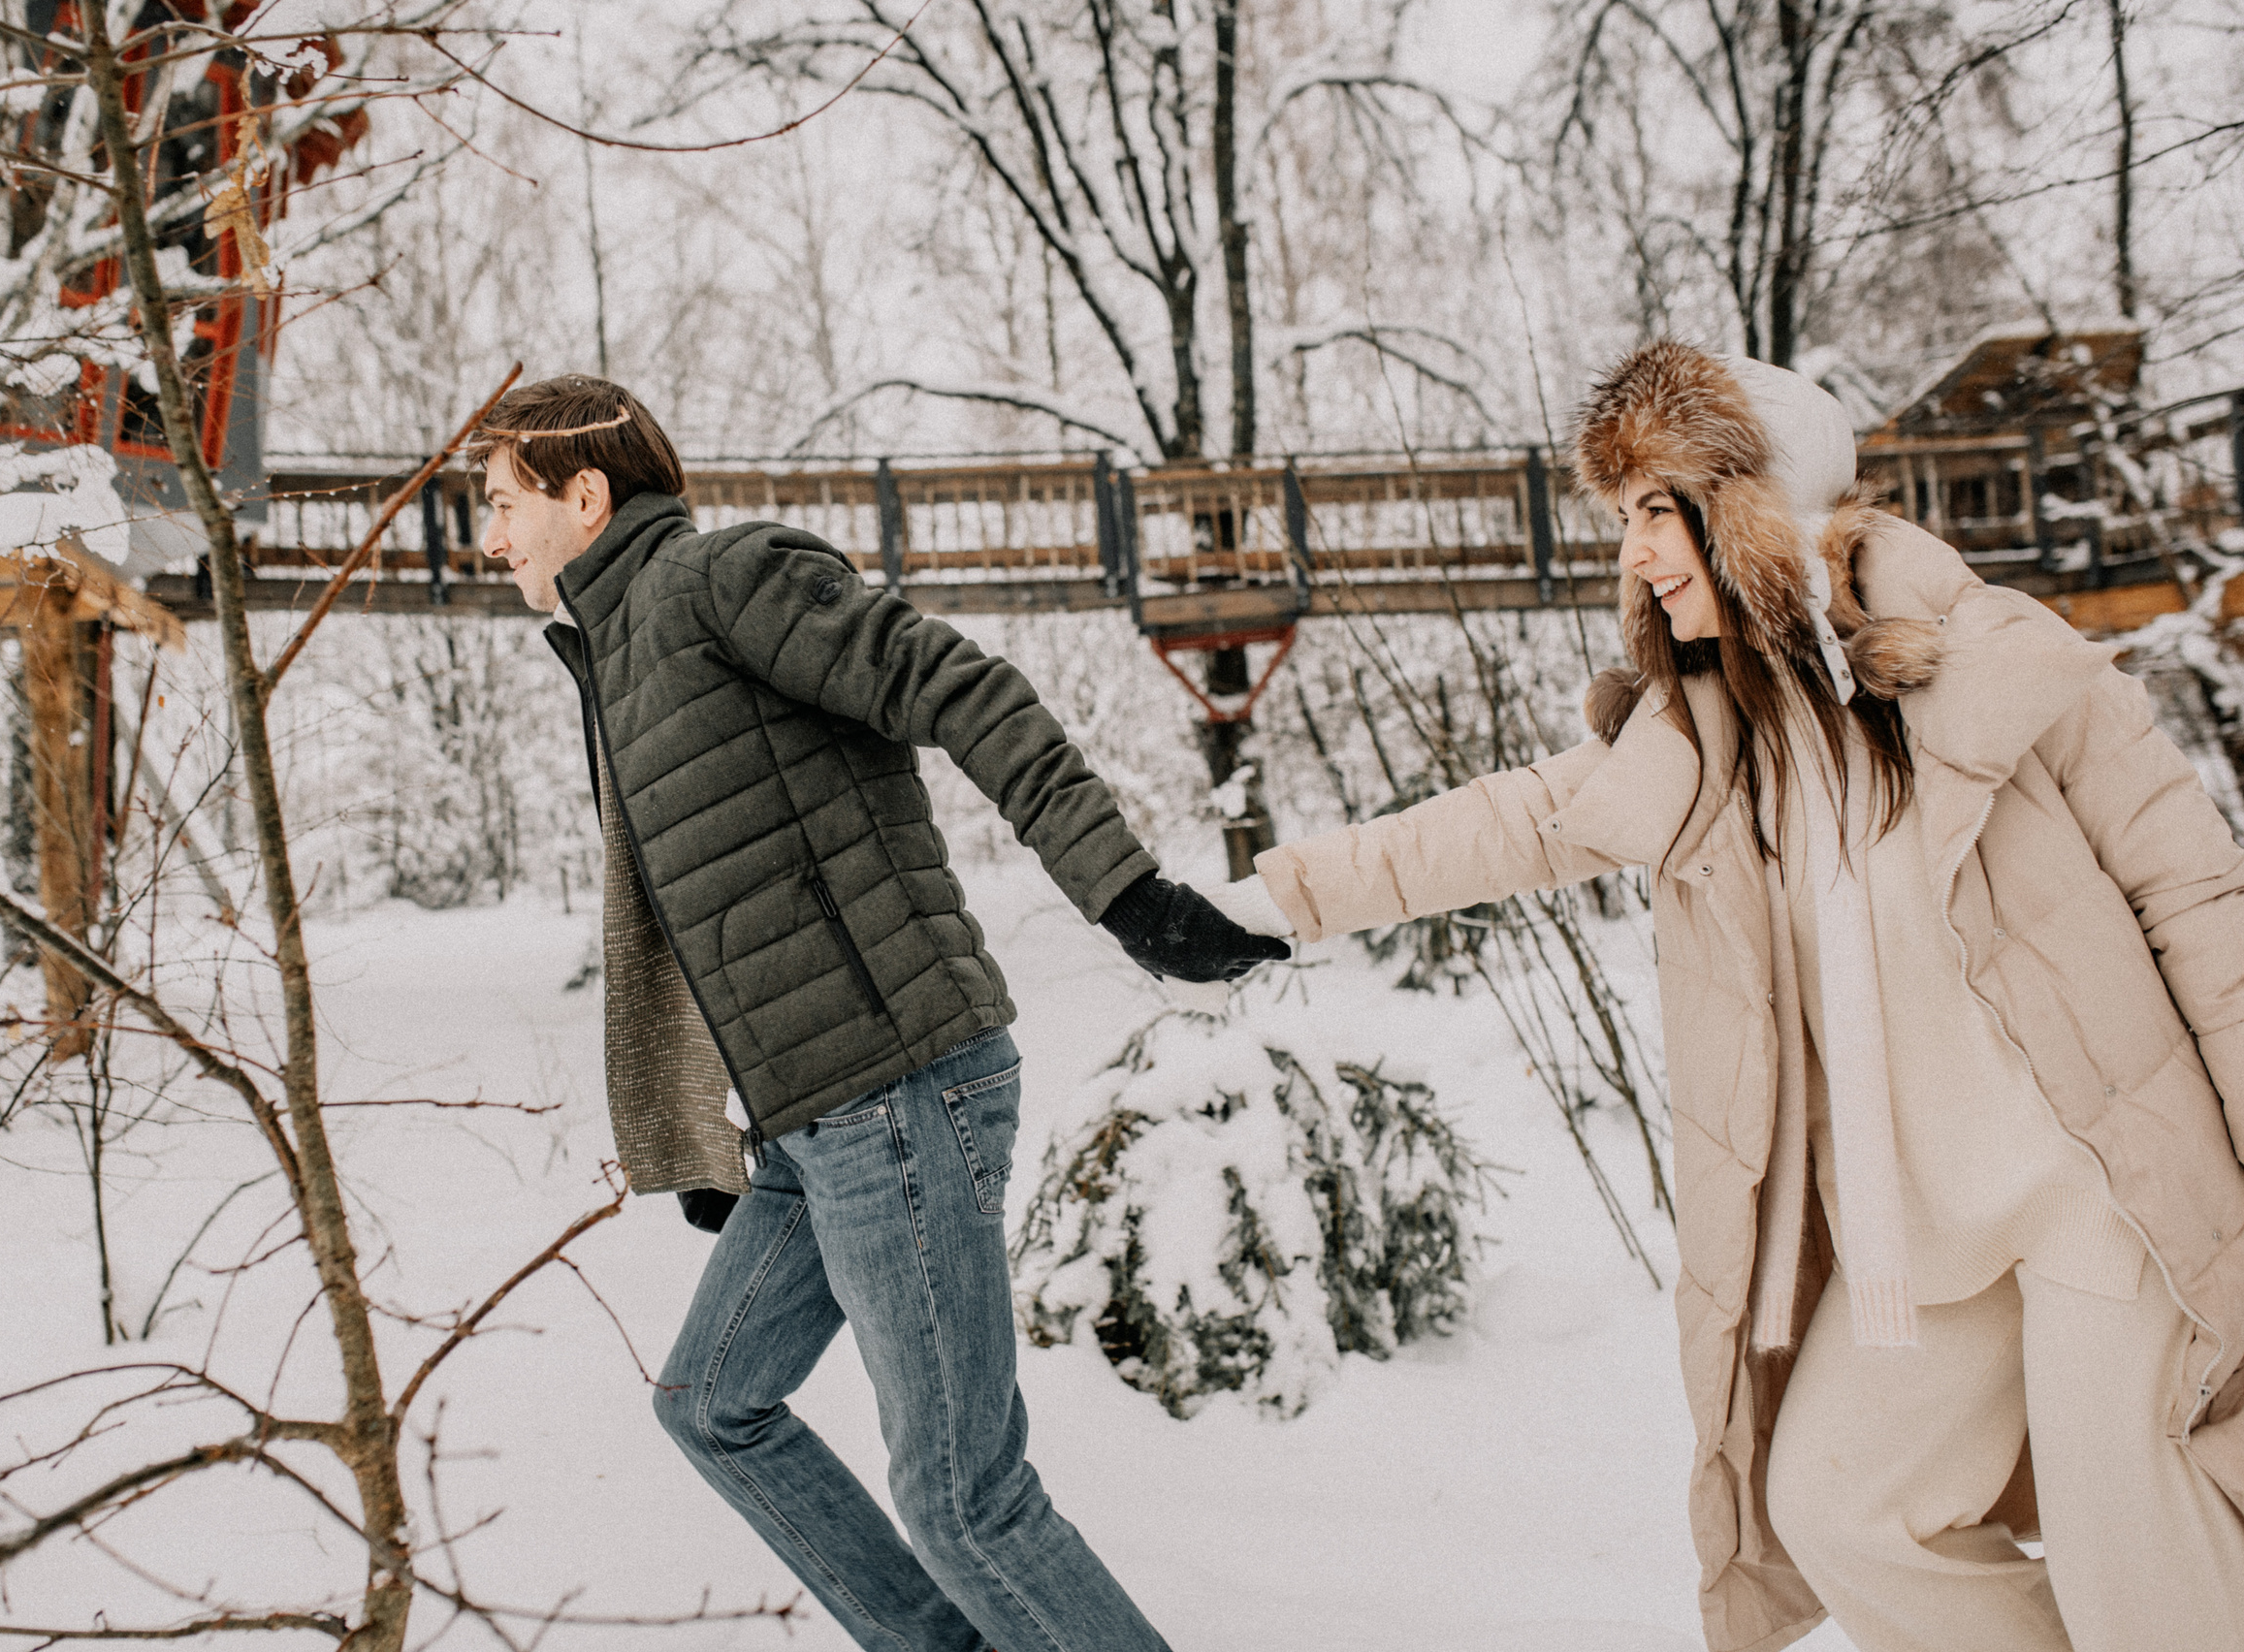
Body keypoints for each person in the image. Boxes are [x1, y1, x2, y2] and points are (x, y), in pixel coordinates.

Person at [1206, 341, 2244, 1652]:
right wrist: (1272, 902)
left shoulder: (1999, 663)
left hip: (2105, 1195)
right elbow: (1517, 822)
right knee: (1842, 1503)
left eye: (1657, 510)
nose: (1635, 553)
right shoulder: (1708, 748)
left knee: (2139, 1570)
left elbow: (2201, 903)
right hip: (1921, 1235)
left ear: (1751, 504)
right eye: (1625, 520)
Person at [475, 373, 1282, 1652]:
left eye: (505, 502)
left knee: (966, 1502)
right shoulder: (615, 657)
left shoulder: (724, 582)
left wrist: (1121, 889)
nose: (490, 536)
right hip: (811, 1122)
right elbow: (691, 900)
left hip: (899, 1089)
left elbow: (962, 684)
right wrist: (698, 1124)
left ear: (588, 494)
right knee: (710, 1402)